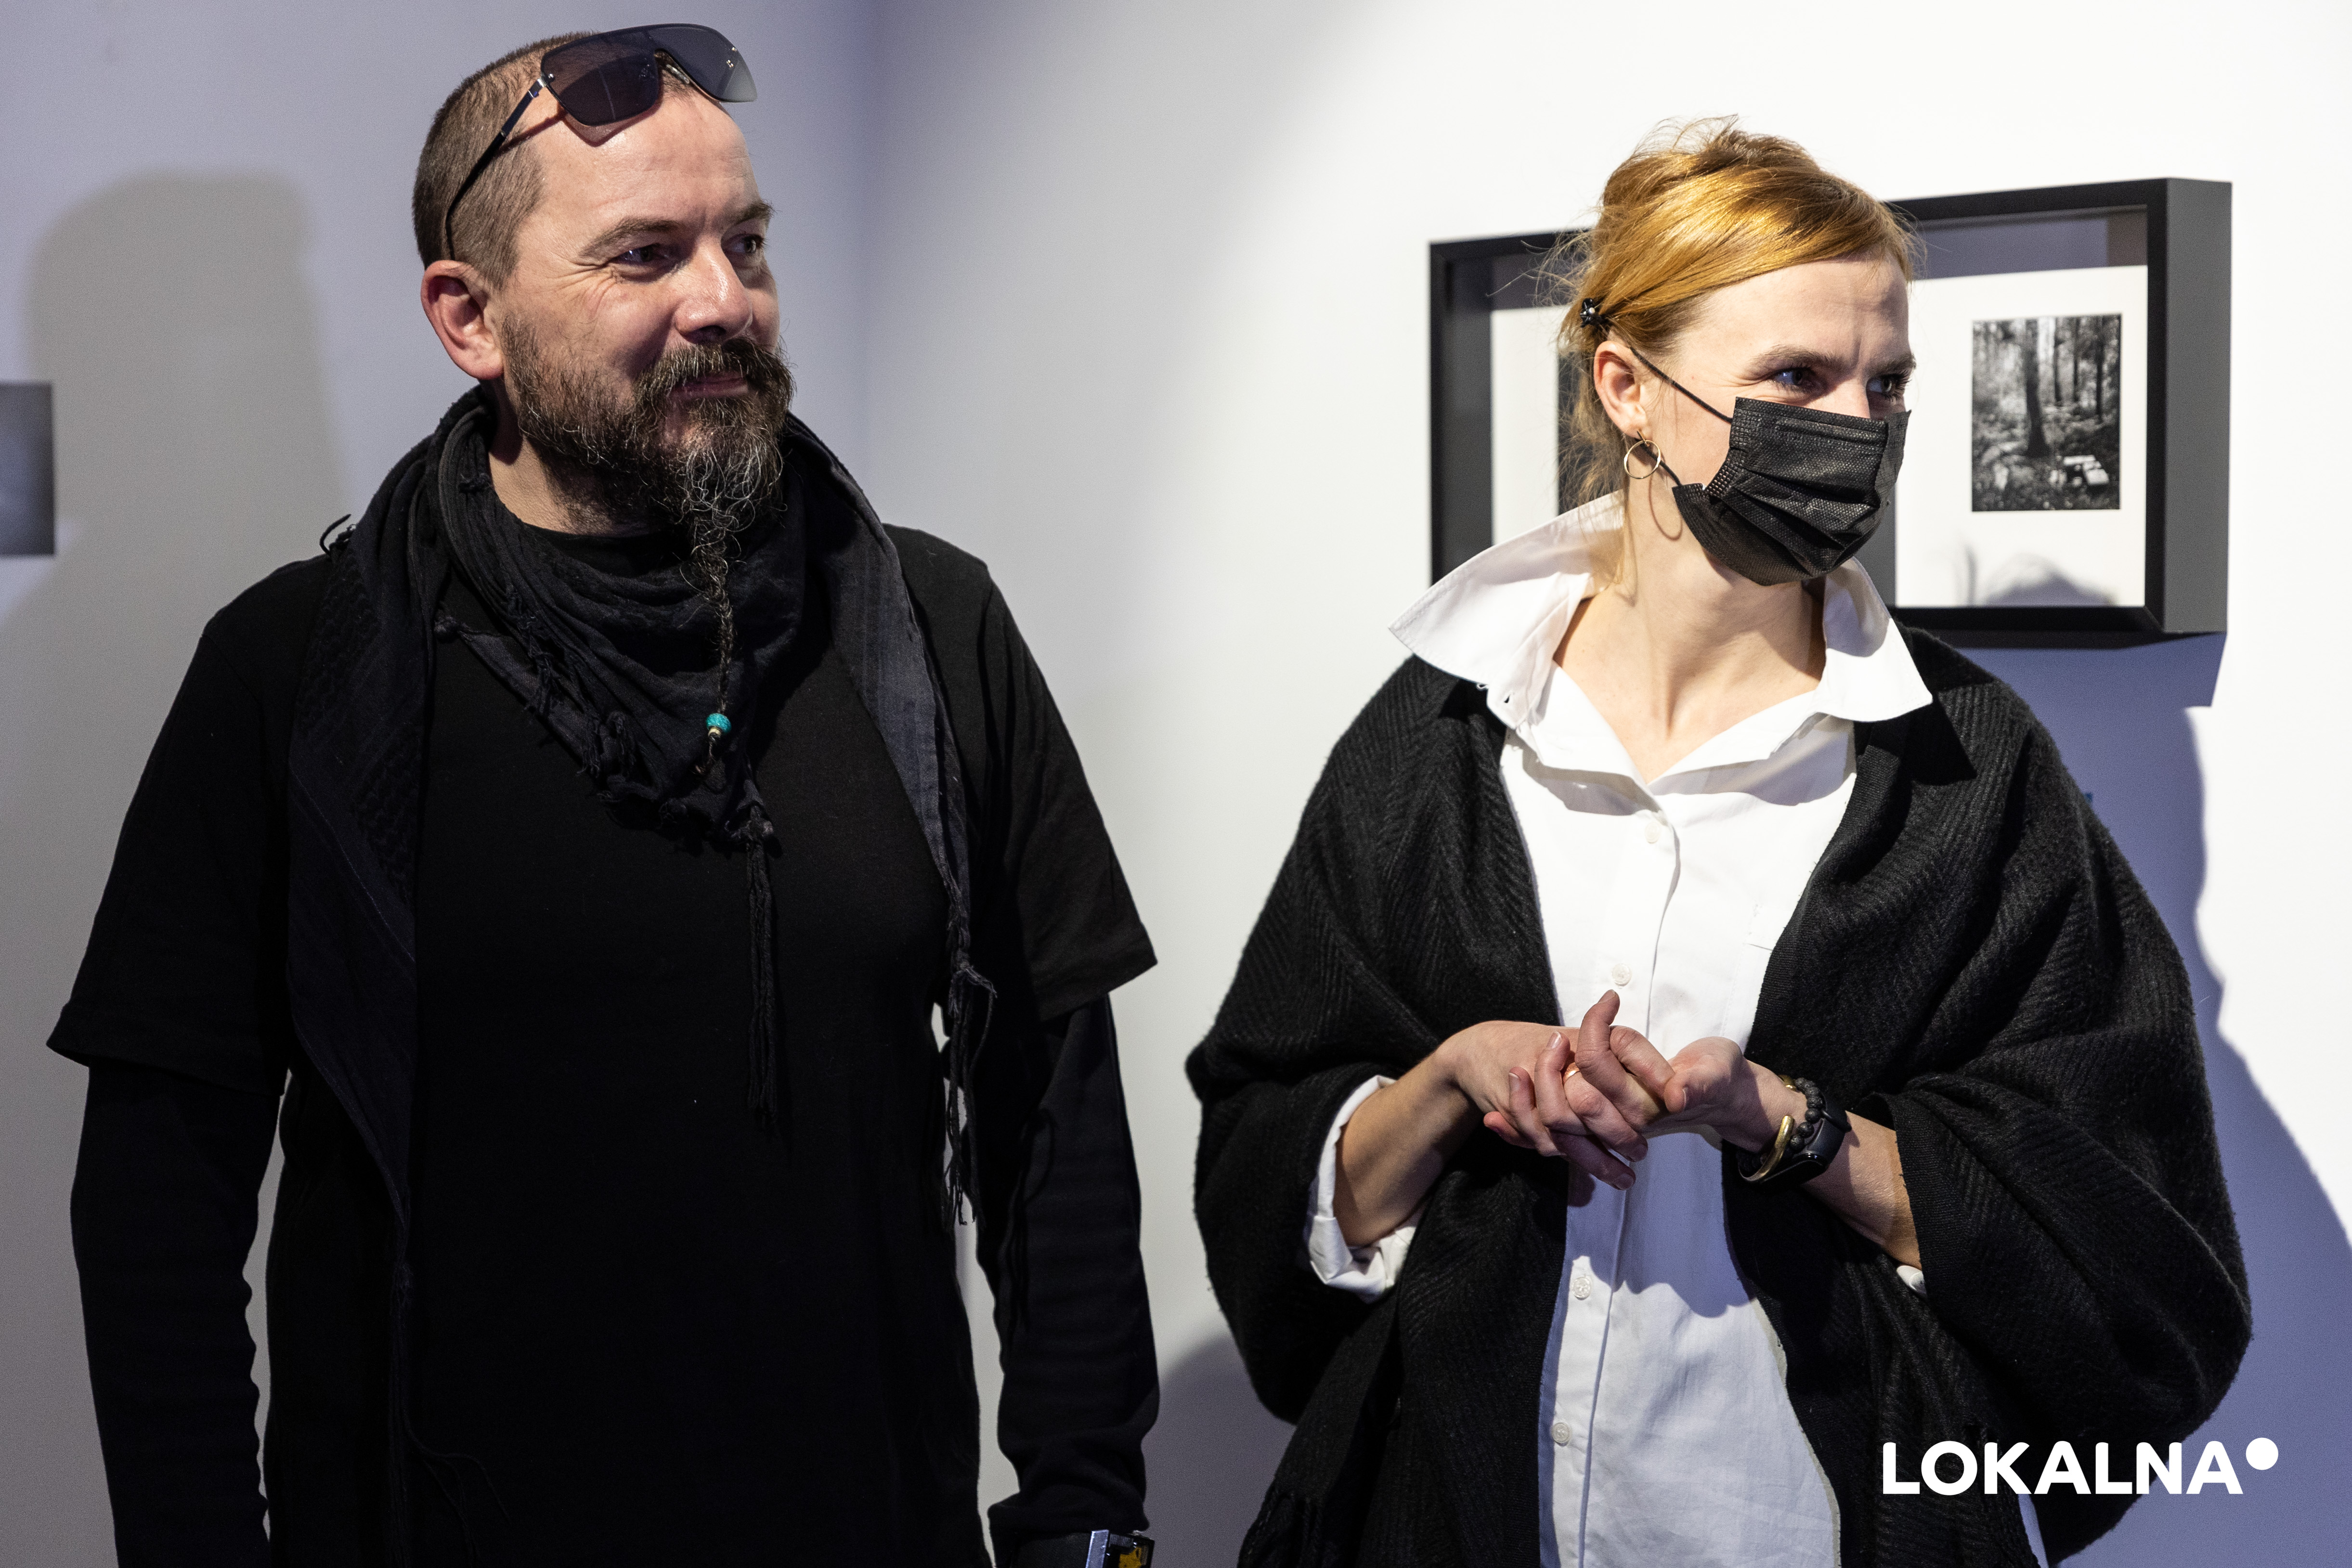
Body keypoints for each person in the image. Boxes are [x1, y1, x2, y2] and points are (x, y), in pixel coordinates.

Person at [55, 26, 1159, 1568]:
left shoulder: (924, 628)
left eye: (745, 243)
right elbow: (156, 1210)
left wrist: (1085, 1523)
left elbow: (1057, 1132)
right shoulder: (302, 674)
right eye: (646, 254)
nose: (724, 302)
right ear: (472, 316)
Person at [1189, 121, 2248, 1568]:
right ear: (1628, 387)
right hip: (1447, 1517)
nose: (1857, 427)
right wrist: (1453, 1078)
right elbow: (1267, 1147)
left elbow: (2121, 1231)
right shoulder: (1441, 732)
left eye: (1888, 384)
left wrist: (1784, 1124)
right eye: (1798, 378)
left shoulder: (1965, 771)